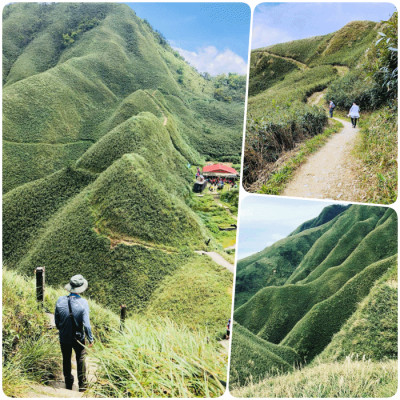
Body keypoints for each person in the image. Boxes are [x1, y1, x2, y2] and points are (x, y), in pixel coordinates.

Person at [55, 275, 94, 392]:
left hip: (64, 336)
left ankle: (68, 382)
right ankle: (82, 385)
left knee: (66, 358)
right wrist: (90, 339)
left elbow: (57, 321)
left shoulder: (60, 301)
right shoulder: (83, 303)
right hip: (78, 337)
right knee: (81, 358)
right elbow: (86, 325)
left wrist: (62, 330)